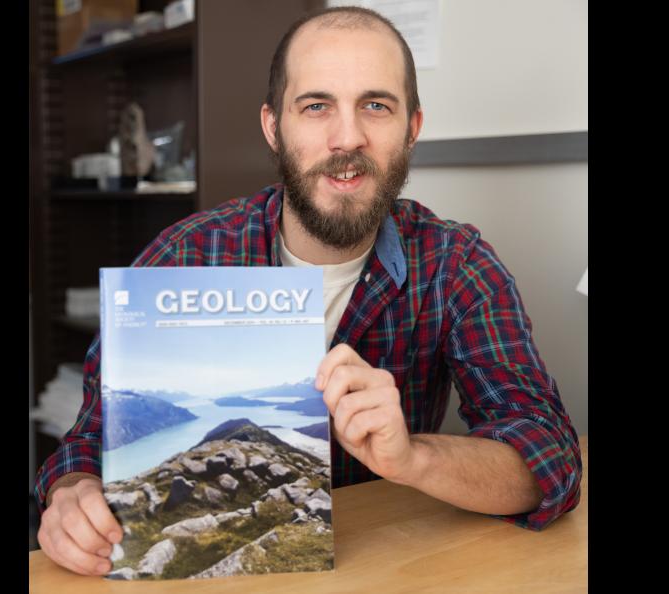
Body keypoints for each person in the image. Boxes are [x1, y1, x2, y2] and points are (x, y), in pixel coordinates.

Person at [34, 6, 582, 577]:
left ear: (412, 127)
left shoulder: (455, 265)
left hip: (384, 569)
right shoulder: (181, 258)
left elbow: (548, 455)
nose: (347, 138)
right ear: (274, 126)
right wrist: (73, 493)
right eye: (316, 106)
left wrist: (414, 457)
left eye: (376, 105)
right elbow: (89, 440)